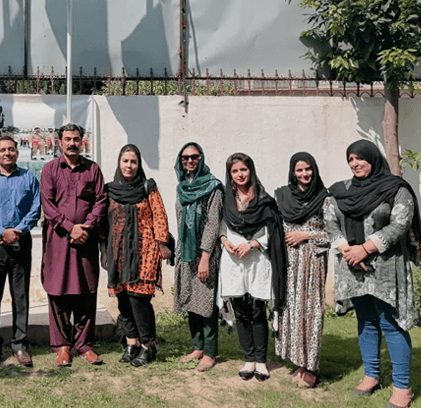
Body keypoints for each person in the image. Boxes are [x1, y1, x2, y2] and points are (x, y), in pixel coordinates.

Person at [325, 140, 421, 408]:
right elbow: (330, 221)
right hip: (352, 266)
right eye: (351, 159)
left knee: (391, 322)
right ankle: (372, 375)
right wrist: (348, 251)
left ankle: (403, 386)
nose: (355, 164)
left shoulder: (395, 188)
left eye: (360, 159)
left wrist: (365, 249)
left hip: (385, 267)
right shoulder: (340, 190)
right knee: (366, 320)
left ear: (373, 159)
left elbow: (400, 223)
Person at [40, 123, 107, 367]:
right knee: (58, 292)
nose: (72, 143)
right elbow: (48, 205)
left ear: (82, 142)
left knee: (86, 292)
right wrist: (71, 228)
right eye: (67, 139)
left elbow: (100, 200)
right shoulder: (49, 170)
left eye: (76, 139)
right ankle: (62, 346)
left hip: (86, 241)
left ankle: (84, 345)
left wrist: (86, 226)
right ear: (59, 142)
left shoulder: (93, 170)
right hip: (59, 240)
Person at [0, 135, 41, 369]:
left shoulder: (29, 178)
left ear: (17, 152)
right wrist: (2, 231)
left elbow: (35, 209)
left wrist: (18, 231)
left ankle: (19, 344)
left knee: (20, 296)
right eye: (2, 150)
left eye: (11, 149)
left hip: (21, 243)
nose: (7, 153)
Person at [218, 152, 286, 382]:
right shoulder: (226, 199)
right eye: (235, 171)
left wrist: (254, 244)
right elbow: (221, 228)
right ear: (230, 174)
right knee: (240, 312)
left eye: (243, 170)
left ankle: (261, 361)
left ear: (251, 170)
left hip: (257, 259)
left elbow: (274, 230)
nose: (240, 174)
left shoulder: (264, 199)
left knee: (257, 311)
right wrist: (225, 241)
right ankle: (248, 359)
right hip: (233, 261)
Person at [105, 144, 170, 367]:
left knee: (139, 300)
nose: (129, 166)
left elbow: (160, 216)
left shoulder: (147, 186)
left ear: (139, 164)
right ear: (119, 163)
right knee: (123, 299)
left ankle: (147, 345)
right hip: (119, 253)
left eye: (133, 162)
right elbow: (103, 220)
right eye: (125, 161)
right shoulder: (110, 189)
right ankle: (131, 343)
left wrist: (162, 244)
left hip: (146, 251)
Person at [274, 152, 333, 389]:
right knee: (293, 312)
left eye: (308, 169)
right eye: (299, 170)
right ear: (292, 172)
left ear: (314, 169)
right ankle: (300, 362)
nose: (304, 174)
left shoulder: (325, 198)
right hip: (290, 263)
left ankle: (312, 367)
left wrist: (306, 235)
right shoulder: (284, 196)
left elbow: (335, 234)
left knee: (311, 311)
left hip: (313, 263)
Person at [173, 142, 224, 373]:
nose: (190, 161)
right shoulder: (182, 187)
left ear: (201, 158)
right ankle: (197, 347)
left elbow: (213, 223)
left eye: (194, 157)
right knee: (190, 299)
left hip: (205, 252)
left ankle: (211, 352)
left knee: (205, 303)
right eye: (185, 158)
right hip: (186, 251)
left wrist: (205, 257)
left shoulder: (213, 187)